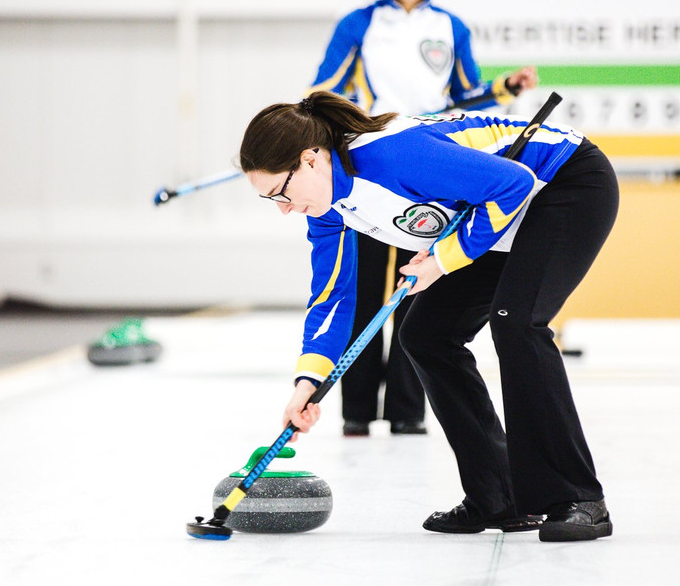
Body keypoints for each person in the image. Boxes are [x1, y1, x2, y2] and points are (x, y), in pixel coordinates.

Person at [239, 90, 618, 542]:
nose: (283, 208)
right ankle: (498, 496)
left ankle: (578, 497)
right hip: (494, 215)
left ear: (312, 159)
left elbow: (513, 183)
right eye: (270, 200)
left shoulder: (390, 155)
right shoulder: (325, 212)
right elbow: (332, 299)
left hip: (563, 183)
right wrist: (307, 385)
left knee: (516, 320)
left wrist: (441, 261)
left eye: (281, 190)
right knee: (425, 334)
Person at [308, 0, 538, 438]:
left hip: (428, 161)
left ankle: (409, 411)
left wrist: (503, 88)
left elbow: (466, 94)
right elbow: (324, 85)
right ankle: (356, 411)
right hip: (370, 162)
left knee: (419, 286)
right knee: (366, 290)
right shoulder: (359, 24)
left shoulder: (451, 27)